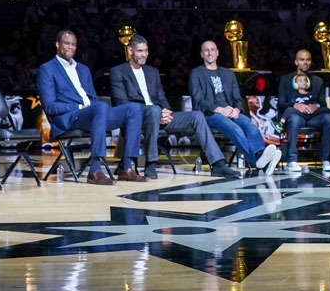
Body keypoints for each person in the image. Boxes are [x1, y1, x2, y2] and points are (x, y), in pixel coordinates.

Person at [111, 34, 263, 178]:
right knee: (154, 110)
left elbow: (161, 97)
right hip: (138, 118)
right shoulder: (118, 72)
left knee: (196, 116)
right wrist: (158, 112)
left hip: (161, 116)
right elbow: (122, 104)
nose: (144, 54)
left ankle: (217, 163)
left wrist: (167, 112)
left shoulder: (152, 72)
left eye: (146, 50)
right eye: (139, 51)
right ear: (130, 50)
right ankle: (151, 163)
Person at [36, 30, 146, 185]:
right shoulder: (47, 69)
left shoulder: (83, 69)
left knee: (134, 109)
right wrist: (79, 106)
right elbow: (49, 106)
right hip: (69, 118)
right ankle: (94, 169)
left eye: (73, 44)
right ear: (57, 44)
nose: (71, 47)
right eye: (67, 43)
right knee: (100, 107)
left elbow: (93, 99)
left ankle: (127, 167)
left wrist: (92, 108)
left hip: (93, 115)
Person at [188, 40, 267, 177]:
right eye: (206, 50)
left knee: (249, 123)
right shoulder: (196, 73)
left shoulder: (228, 74)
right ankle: (258, 162)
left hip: (230, 112)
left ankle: (261, 154)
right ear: (201, 54)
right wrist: (218, 109)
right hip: (210, 114)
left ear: (217, 53)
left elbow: (237, 98)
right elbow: (198, 100)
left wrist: (237, 110)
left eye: (212, 49)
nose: (210, 52)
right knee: (234, 129)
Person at [276, 49, 330, 172]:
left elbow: (323, 104)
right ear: (296, 62)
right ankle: (292, 160)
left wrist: (317, 106)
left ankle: (326, 159)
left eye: (308, 60)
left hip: (313, 117)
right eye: (302, 60)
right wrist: (294, 105)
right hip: (296, 116)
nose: (306, 62)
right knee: (294, 119)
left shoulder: (317, 81)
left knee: (328, 117)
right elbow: (281, 105)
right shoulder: (286, 80)